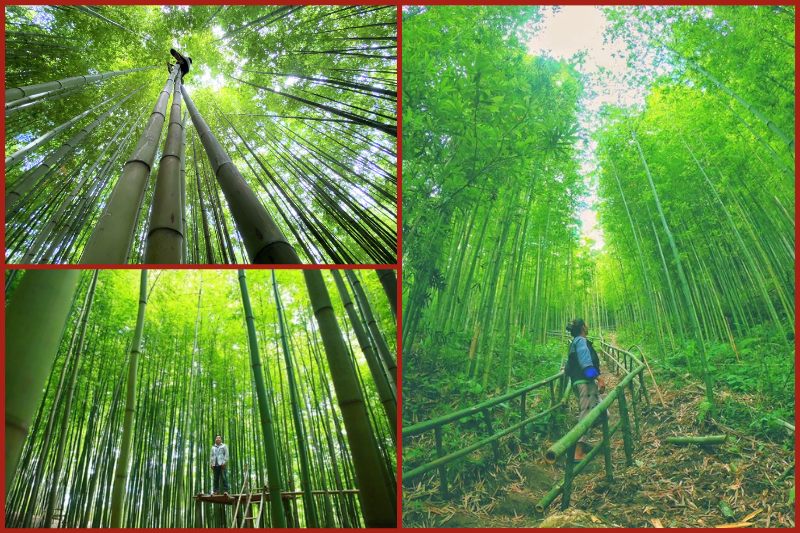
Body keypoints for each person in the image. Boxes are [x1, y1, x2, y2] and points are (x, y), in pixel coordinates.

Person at [564, 318, 606, 461]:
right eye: (586, 325)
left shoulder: (574, 342)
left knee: (603, 413)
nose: (587, 327)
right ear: (583, 327)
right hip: (585, 383)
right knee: (587, 415)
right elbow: (586, 364)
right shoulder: (581, 341)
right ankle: (578, 451)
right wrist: (598, 378)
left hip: (581, 383)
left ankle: (581, 441)